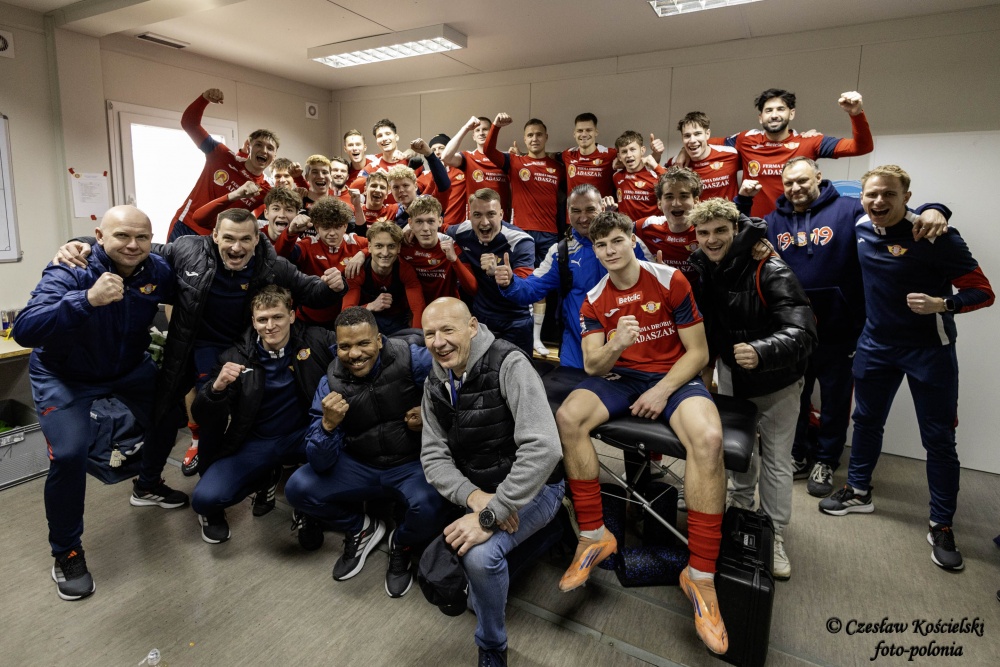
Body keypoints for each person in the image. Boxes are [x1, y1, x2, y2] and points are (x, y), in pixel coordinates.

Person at [53, 208, 346, 502]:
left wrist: (333, 287)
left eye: (245, 239)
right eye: (229, 238)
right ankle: (147, 485)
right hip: (185, 348)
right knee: (163, 414)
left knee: (214, 420)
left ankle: (214, 486)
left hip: (236, 353)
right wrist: (80, 242)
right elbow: (139, 248)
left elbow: (312, 291)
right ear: (215, 235)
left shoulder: (271, 265)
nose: (236, 247)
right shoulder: (187, 250)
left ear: (256, 239)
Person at [554, 211, 729, 654]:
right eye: (601, 245)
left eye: (617, 240)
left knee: (709, 440)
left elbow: (699, 352)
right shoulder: (594, 298)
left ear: (632, 239)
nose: (609, 250)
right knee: (569, 417)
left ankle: (700, 575)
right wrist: (617, 343)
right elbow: (593, 366)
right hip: (623, 377)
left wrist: (663, 389)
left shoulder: (670, 280)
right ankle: (594, 534)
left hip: (675, 376)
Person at [738, 157, 951, 497]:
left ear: (818, 177)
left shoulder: (850, 210)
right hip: (793, 331)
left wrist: (935, 208)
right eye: (789, 183)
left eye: (802, 180)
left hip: (841, 328)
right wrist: (746, 210)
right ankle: (798, 454)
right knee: (795, 398)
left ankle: (826, 459)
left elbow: (893, 215)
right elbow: (735, 232)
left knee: (836, 401)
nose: (795, 188)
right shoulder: (773, 221)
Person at [819, 165, 994, 572]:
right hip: (876, 345)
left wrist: (943, 304)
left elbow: (983, 292)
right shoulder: (860, 227)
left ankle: (941, 524)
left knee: (939, 439)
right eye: (872, 194)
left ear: (906, 197)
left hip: (929, 351)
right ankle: (858, 491)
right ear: (861, 197)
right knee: (865, 421)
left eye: (889, 194)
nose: (879, 201)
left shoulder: (935, 235)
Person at [14, 205, 183, 600]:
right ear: (100, 236)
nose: (133, 244)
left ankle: (147, 485)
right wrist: (87, 299)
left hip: (127, 368)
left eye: (142, 237)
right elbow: (25, 329)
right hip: (64, 374)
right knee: (69, 454)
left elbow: (189, 271)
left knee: (168, 416)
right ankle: (67, 552)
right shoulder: (71, 269)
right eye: (121, 235)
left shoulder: (156, 269)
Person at [420, 297, 564, 667]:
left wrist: (494, 511)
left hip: (539, 488)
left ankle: (491, 645)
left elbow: (545, 449)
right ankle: (545, 536)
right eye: (430, 334)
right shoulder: (435, 379)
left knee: (480, 558)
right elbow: (432, 456)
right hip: (483, 489)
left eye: (447, 330)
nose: (438, 342)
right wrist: (475, 497)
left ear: (472, 327)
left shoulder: (509, 363)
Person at [687, 198, 818, 580]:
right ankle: (741, 511)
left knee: (776, 461)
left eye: (720, 231)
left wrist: (762, 351)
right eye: (704, 232)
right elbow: (708, 323)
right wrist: (707, 367)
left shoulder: (769, 266)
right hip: (732, 377)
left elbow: (804, 331)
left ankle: (772, 534)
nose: (712, 239)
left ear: (736, 230)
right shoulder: (703, 267)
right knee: (738, 453)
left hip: (778, 382)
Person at [284, 306, 448, 597]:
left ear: (379, 340)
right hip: (360, 464)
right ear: (337, 347)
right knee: (298, 487)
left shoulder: (412, 358)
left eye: (363, 343)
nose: (355, 354)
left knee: (434, 504)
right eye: (345, 347)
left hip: (409, 464)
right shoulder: (330, 382)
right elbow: (319, 462)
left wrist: (430, 414)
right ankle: (361, 528)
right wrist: (327, 426)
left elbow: (458, 382)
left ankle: (402, 543)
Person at [189, 286, 336, 542]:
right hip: (258, 440)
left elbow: (356, 348)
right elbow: (202, 414)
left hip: (303, 436)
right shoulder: (235, 356)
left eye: (277, 317)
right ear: (253, 322)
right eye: (262, 319)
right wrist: (216, 389)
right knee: (205, 499)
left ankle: (309, 508)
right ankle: (265, 476)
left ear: (292, 316)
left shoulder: (316, 340)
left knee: (345, 458)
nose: (270, 326)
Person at [496, 184, 643, 369]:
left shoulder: (631, 244)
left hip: (631, 357)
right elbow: (531, 289)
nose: (583, 218)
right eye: (576, 211)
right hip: (577, 357)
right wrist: (510, 282)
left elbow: (655, 287)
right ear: (568, 212)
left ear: (602, 207)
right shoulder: (561, 252)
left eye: (590, 209)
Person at [713, 88, 874, 217]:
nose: (774, 115)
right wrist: (691, 147)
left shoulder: (810, 141)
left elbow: (862, 147)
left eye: (780, 109)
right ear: (760, 117)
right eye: (768, 111)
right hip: (755, 228)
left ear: (791, 113)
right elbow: (706, 144)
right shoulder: (745, 140)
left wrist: (856, 114)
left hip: (795, 228)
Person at [483, 112, 566, 356]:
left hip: (549, 234)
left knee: (542, 287)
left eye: (539, 134)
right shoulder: (515, 162)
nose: (534, 138)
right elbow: (488, 150)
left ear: (546, 137)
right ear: (524, 138)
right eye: (530, 135)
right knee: (520, 282)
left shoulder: (557, 168)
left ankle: (537, 338)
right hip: (521, 234)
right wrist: (496, 126)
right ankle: (520, 334)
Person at [168, 88, 276, 240]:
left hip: (219, 239)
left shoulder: (265, 191)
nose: (264, 151)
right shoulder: (221, 156)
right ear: (248, 146)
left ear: (274, 157)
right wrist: (204, 99)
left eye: (270, 148)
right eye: (258, 144)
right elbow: (189, 124)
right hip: (186, 226)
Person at [444, 188, 536, 355]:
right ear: (469, 215)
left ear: (501, 215)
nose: (484, 222)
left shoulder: (520, 241)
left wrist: (506, 279)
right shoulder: (461, 231)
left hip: (515, 320)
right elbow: (438, 227)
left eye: (491, 214)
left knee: (518, 368)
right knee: (481, 369)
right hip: (482, 317)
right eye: (477, 215)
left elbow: (527, 289)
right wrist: (408, 229)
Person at [274, 196, 368, 327]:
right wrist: (290, 232)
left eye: (337, 227)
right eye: (326, 227)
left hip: (341, 320)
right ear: (317, 228)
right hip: (307, 320)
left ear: (345, 226)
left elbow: (379, 245)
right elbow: (280, 257)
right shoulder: (308, 245)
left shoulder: (356, 243)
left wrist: (362, 253)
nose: (332, 233)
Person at [342, 221, 426, 335]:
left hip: (399, 321)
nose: (385, 253)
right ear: (369, 247)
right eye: (379, 246)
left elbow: (418, 309)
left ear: (399, 248)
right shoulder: (357, 270)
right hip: (367, 320)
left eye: (391, 246)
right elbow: (346, 313)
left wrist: (416, 338)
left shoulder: (405, 270)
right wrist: (370, 306)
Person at [400, 195, 478, 302]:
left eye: (431, 221)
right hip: (415, 307)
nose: (425, 228)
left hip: (447, 308)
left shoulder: (452, 246)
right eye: (419, 221)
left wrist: (454, 260)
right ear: (410, 223)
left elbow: (473, 289)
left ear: (440, 221)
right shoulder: (404, 246)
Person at [634, 167, 703, 285]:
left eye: (683, 196)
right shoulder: (646, 226)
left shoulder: (706, 230)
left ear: (696, 201)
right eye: (669, 197)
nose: (676, 203)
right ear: (659, 203)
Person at [441, 115, 512, 219]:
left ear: (492, 132)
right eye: (477, 130)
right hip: (475, 220)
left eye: (485, 129)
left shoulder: (504, 159)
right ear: (473, 136)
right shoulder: (468, 157)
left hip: (500, 220)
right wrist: (466, 128)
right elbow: (446, 157)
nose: (481, 133)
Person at [670, 112, 740, 202]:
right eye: (687, 136)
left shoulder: (730, 154)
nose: (692, 140)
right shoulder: (677, 162)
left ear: (707, 134)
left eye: (697, 134)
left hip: (728, 211)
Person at [612, 130, 666, 223]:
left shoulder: (657, 173)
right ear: (619, 156)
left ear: (642, 150)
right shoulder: (617, 177)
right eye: (624, 151)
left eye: (633, 149)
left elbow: (675, 185)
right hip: (626, 229)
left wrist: (656, 166)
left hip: (651, 229)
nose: (629, 155)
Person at [418, 133, 467, 228]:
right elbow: (417, 199)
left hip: (458, 228)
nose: (437, 152)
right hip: (434, 228)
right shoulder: (425, 176)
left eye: (441, 148)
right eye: (433, 150)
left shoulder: (462, 172)